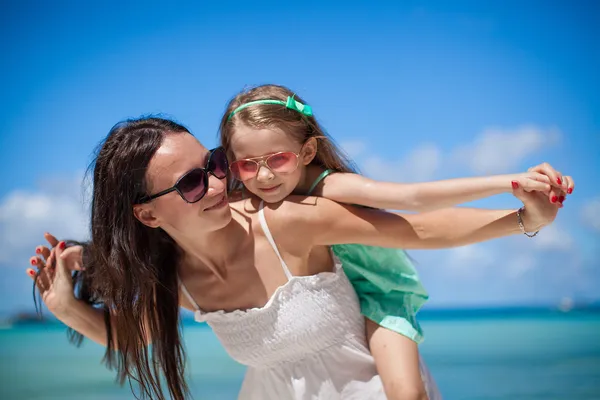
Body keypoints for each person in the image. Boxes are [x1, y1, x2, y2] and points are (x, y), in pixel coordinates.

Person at [27, 117, 566, 400]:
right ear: (147, 216)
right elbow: (136, 337)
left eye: (215, 163)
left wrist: (520, 220)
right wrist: (67, 307)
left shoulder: (283, 222)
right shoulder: (175, 279)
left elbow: (414, 227)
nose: (218, 181)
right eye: (192, 182)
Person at [218, 84, 573, 398]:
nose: (263, 175)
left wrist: (510, 183)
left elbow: (412, 200)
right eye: (247, 165)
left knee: (406, 393)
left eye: (278, 159)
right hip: (324, 310)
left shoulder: (327, 187)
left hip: (378, 293)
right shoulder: (246, 202)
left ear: (308, 152)